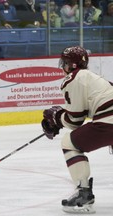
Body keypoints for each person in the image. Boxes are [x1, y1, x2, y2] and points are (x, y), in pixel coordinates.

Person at [41, 46, 113, 214]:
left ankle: (83, 193)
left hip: (108, 123)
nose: (62, 66)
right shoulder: (94, 78)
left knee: (69, 143)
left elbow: (75, 120)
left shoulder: (73, 78)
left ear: (71, 65)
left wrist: (56, 119)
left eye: (65, 62)